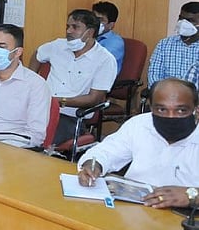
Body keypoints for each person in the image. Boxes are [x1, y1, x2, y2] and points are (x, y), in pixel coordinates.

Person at [77, 78, 199, 209]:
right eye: (161, 110)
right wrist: (93, 165)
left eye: (181, 110)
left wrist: (193, 196)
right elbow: (105, 152)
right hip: (135, 207)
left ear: (196, 109)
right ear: (151, 108)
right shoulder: (140, 125)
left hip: (186, 217)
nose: (171, 117)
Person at [30, 9, 117, 147]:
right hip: (40, 109)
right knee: (12, 131)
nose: (69, 31)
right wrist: (33, 80)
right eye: (67, 27)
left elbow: (94, 99)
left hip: (70, 117)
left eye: (75, 27)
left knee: (37, 141)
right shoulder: (58, 45)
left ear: (90, 32)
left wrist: (59, 102)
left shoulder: (105, 60)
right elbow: (37, 54)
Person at [147, 1, 199, 86]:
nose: (183, 23)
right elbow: (154, 75)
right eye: (181, 18)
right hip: (166, 96)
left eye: (190, 20)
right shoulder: (164, 44)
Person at [92, 1, 125, 74]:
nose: (95, 22)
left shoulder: (115, 42)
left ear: (111, 25)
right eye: (93, 18)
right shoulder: (86, 36)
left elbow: (99, 65)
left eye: (100, 20)